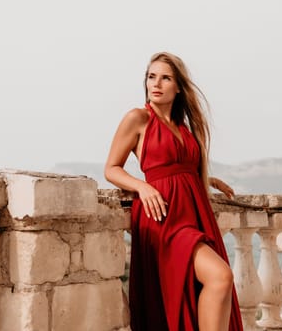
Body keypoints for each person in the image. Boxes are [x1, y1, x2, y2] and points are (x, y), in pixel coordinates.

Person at [104, 52, 243, 331]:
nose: (156, 83)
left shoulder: (183, 127)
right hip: (164, 219)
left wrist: (207, 181)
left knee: (199, 287)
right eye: (151, 76)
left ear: (178, 86)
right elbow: (112, 168)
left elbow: (178, 169)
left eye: (165, 78)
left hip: (193, 211)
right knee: (220, 276)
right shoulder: (138, 118)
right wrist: (142, 186)